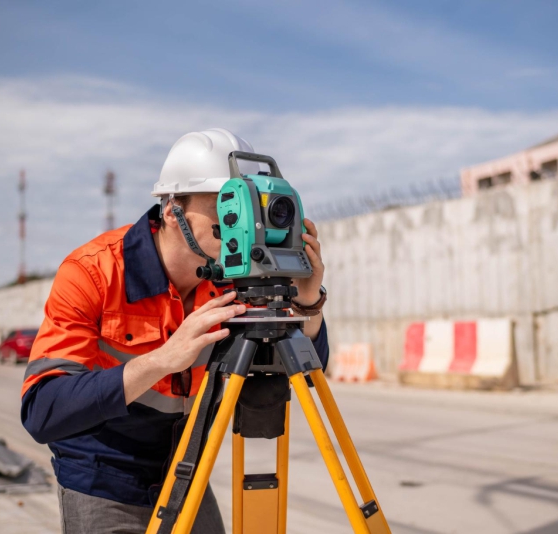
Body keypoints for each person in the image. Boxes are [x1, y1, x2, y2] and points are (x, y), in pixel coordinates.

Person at [21, 128, 329, 534]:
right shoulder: (94, 273)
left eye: (247, 202)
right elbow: (44, 411)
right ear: (172, 209)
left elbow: (307, 371)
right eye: (224, 202)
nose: (241, 219)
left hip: (185, 476)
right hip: (103, 481)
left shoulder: (233, 280)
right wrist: (163, 359)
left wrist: (308, 302)